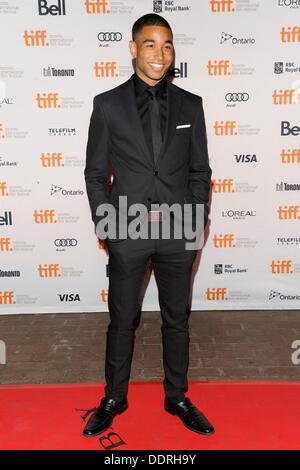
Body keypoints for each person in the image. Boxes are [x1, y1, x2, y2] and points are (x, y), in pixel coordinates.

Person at [83, 13, 214, 437]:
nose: (161, 54)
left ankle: (176, 396)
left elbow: (200, 171)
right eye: (152, 44)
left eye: (168, 45)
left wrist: (195, 220)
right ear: (134, 48)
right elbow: (94, 173)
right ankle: (113, 397)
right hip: (128, 230)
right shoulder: (108, 104)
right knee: (123, 319)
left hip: (179, 231)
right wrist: (109, 228)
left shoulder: (191, 105)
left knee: (177, 318)